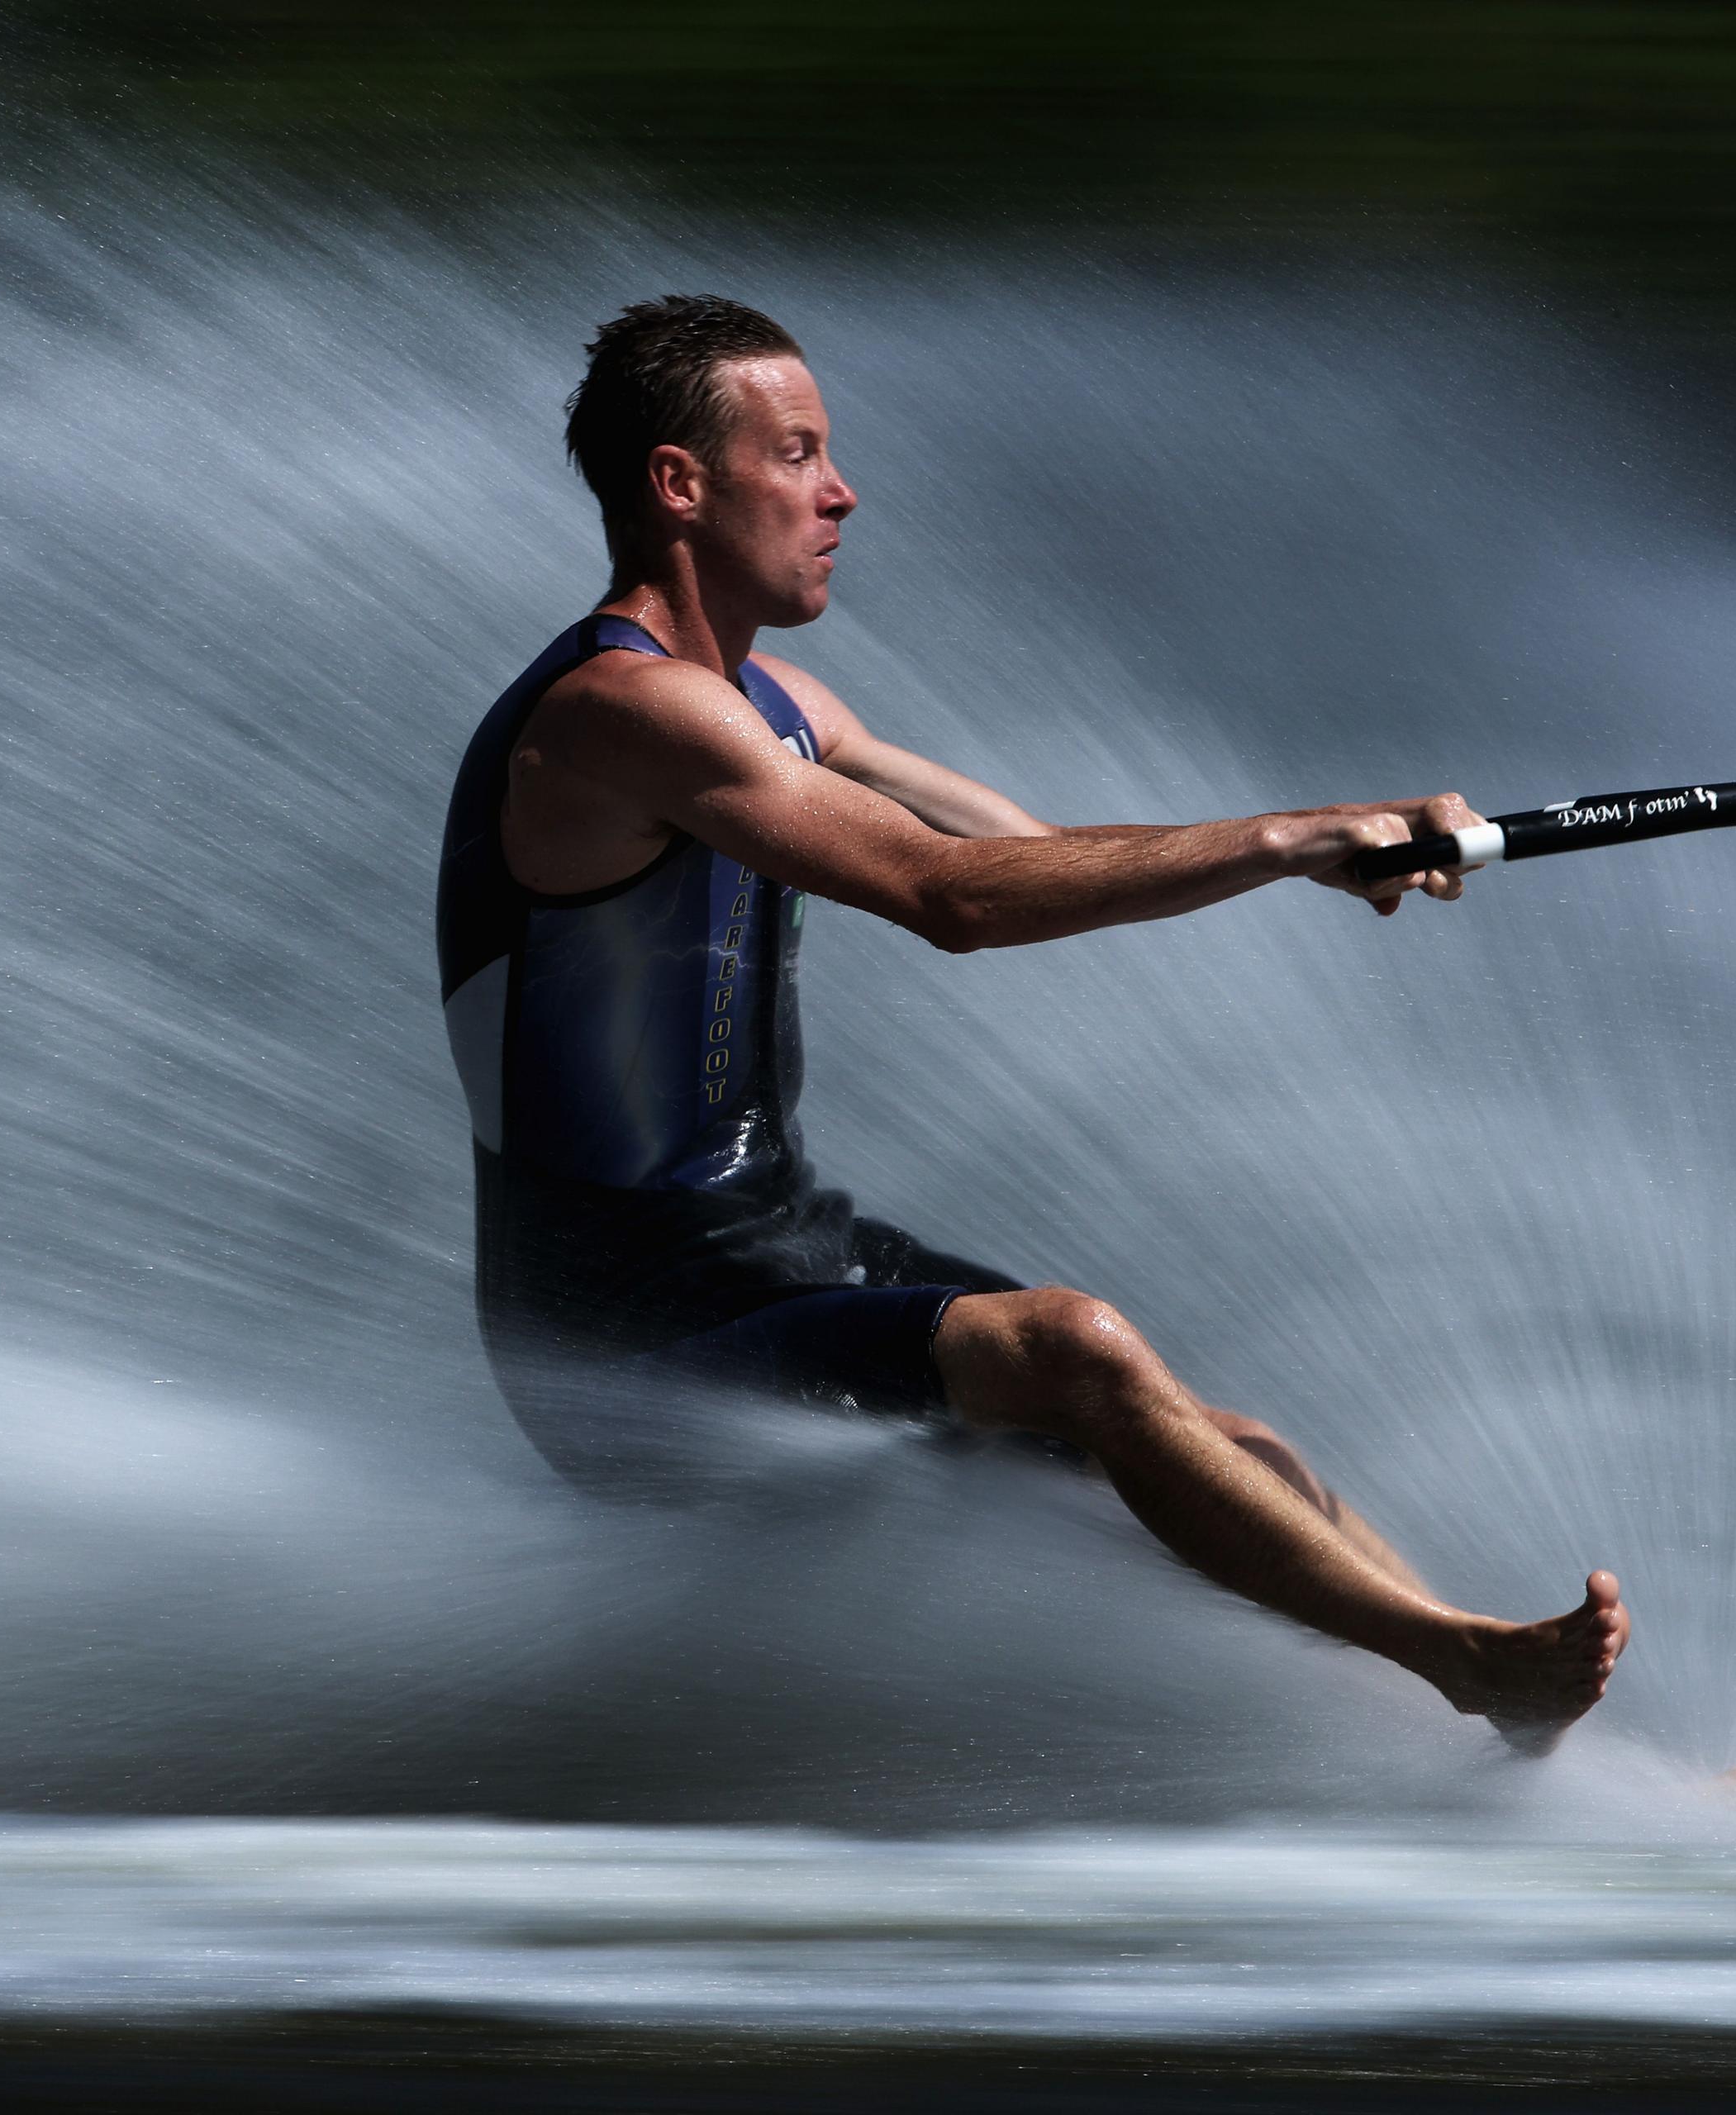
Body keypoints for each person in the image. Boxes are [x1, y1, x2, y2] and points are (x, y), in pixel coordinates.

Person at [437, 293, 1633, 1755]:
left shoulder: (779, 704)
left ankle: (1532, 1744)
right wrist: (1282, 835)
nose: (842, 490)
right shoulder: (622, 716)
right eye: (799, 453)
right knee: (1075, 1348)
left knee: (1231, 1449)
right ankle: (1470, 1669)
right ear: (680, 486)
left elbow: (1030, 845)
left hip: (779, 1249)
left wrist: (1349, 843)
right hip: (625, 1338)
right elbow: (952, 895)